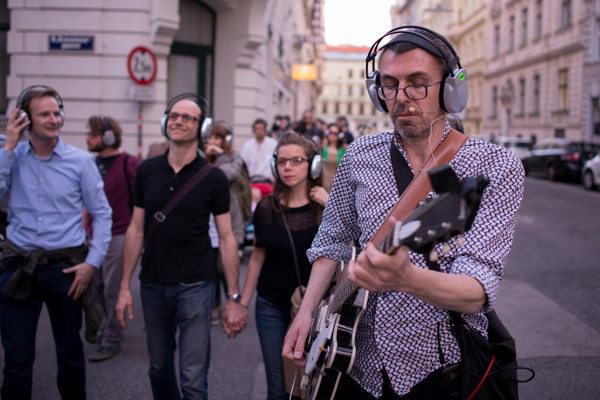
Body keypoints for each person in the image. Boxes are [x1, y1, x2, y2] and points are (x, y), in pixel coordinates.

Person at [282, 26, 525, 399]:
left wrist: (407, 278)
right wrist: (308, 312)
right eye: (390, 84)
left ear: (450, 88)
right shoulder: (360, 154)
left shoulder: (494, 166)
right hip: (354, 364)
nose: (401, 97)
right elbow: (331, 239)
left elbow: (478, 290)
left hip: (442, 369)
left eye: (417, 83)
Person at [115, 94, 246, 400]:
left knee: (192, 379)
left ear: (202, 128)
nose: (178, 121)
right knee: (158, 368)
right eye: (173, 115)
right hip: (153, 283)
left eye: (187, 117)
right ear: (164, 122)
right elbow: (135, 228)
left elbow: (227, 238)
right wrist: (124, 285)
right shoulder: (147, 170)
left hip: (196, 285)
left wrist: (233, 297)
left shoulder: (213, 178)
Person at [0, 85, 112, 399]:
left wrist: (91, 264)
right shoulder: (9, 156)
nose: (54, 119)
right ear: (25, 120)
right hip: (17, 267)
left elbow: (103, 215)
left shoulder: (80, 162)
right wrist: (8, 148)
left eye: (56, 112)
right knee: (17, 361)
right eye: (44, 114)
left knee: (70, 356)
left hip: (66, 270)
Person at [239, 133, 327, 400]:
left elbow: (345, 253)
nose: (287, 167)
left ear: (313, 165)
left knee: (313, 388)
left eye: (296, 161)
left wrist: (330, 203)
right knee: (278, 389)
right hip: (271, 307)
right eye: (281, 161)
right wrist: (242, 304)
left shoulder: (326, 206)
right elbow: (257, 257)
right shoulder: (267, 207)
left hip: (316, 309)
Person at [84, 115, 141, 362]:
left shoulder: (129, 163)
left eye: (92, 135)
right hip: (92, 234)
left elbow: (141, 201)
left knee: (113, 288)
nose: (88, 138)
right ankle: (104, 326)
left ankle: (112, 339)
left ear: (108, 136)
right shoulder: (89, 163)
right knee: (94, 286)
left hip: (119, 233)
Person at [204, 121, 246, 323]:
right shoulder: (199, 159)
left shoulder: (231, 157)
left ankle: (230, 299)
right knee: (209, 267)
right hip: (205, 221)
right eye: (210, 137)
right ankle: (214, 304)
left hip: (229, 218)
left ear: (225, 140)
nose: (212, 141)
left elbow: (231, 174)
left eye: (217, 138)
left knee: (223, 266)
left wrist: (219, 156)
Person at [241, 118, 278, 183]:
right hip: (252, 180)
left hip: (268, 181)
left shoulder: (273, 144)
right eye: (257, 129)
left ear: (265, 130)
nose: (258, 131)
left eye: (261, 129)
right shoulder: (247, 145)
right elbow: (244, 164)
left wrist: (274, 177)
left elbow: (276, 162)